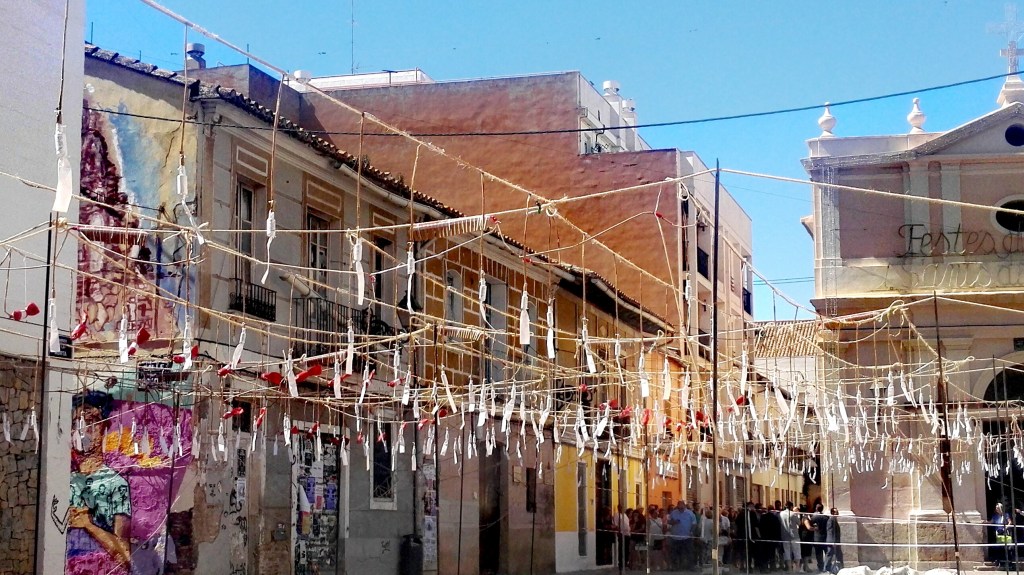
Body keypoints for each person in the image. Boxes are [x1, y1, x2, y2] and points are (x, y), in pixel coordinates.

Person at [66, 391, 132, 575]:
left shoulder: (116, 484)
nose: (83, 430)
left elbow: (125, 558)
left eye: (91, 422)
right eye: (77, 423)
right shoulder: (64, 480)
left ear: (104, 427)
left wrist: (89, 525)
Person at [779, 501, 802, 572]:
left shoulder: (781, 514)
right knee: (797, 552)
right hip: (794, 535)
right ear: (791, 506)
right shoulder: (793, 514)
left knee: (787, 553)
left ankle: (789, 568)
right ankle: (797, 568)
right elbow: (799, 523)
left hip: (784, 536)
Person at [812, 503, 830, 573]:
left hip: (817, 538)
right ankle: (827, 566)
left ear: (816, 508)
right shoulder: (826, 517)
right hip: (825, 537)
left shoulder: (814, 517)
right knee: (826, 553)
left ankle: (820, 567)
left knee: (818, 554)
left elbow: (812, 525)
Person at [825, 508, 843, 573]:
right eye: (836, 512)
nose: (837, 513)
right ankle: (827, 568)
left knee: (839, 555)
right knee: (830, 554)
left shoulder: (834, 520)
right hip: (832, 541)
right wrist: (832, 541)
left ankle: (840, 567)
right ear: (832, 513)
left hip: (836, 541)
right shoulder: (831, 520)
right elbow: (830, 531)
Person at [615, 504, 631, 569]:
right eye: (620, 507)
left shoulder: (625, 515)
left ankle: (626, 562)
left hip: (627, 534)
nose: (622, 508)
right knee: (621, 549)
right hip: (622, 534)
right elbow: (616, 524)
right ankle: (621, 563)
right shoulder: (617, 515)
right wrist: (619, 532)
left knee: (626, 549)